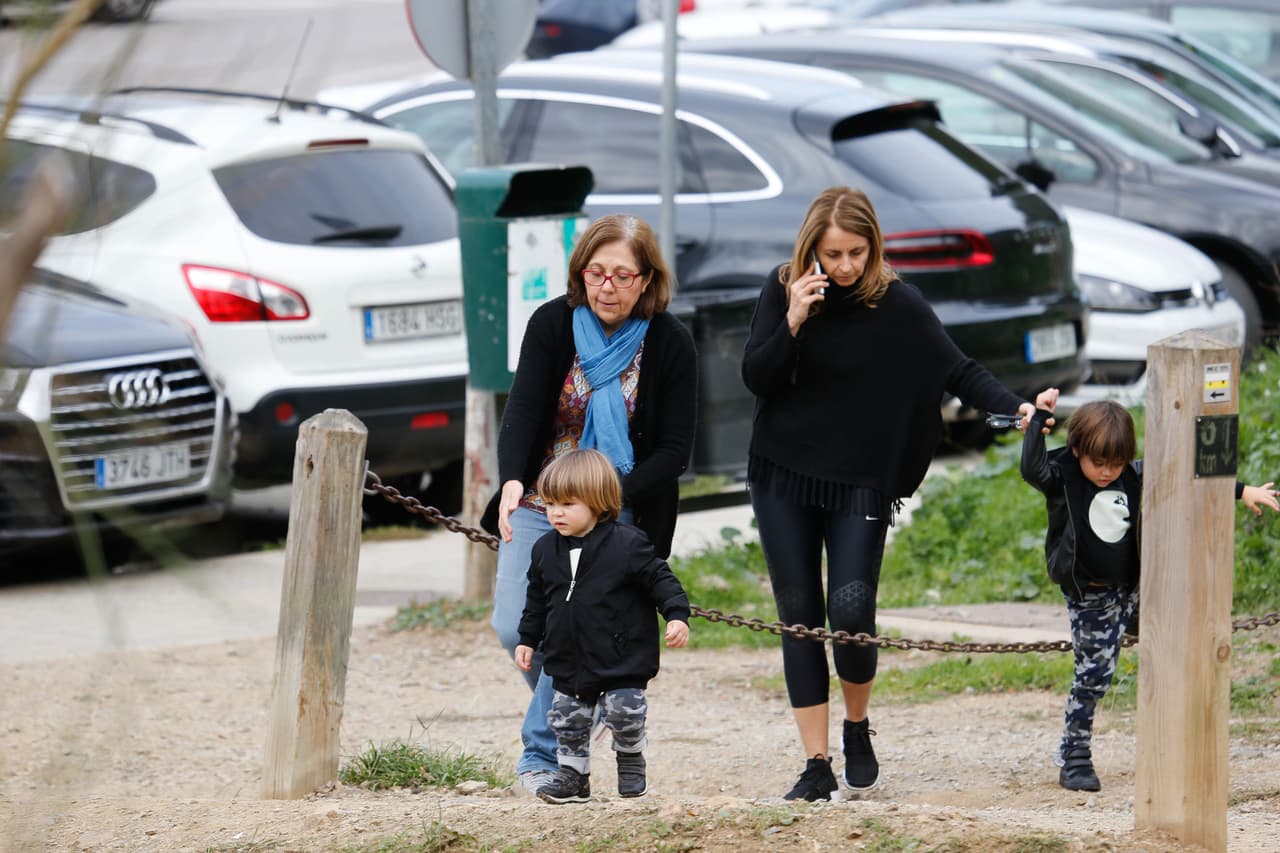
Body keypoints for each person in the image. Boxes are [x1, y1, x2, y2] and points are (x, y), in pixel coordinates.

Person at [741, 186, 1042, 802]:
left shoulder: (898, 302)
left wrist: (1019, 410)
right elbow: (757, 377)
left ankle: (856, 725)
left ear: (873, 246)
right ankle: (816, 764)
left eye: (856, 252)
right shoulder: (784, 288)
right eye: (832, 254)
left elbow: (956, 369)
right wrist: (793, 319)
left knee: (851, 612)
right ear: (811, 248)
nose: (845, 266)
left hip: (861, 478)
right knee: (800, 618)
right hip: (783, 473)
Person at [482, 213, 698, 795]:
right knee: (513, 625)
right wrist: (511, 480)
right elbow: (523, 409)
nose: (607, 286)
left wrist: (606, 497)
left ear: (647, 280)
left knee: (573, 626)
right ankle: (589, 699)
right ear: (580, 272)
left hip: (618, 507)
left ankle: (543, 755)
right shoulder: (552, 323)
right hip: (542, 498)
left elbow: (675, 450)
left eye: (623, 276)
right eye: (596, 272)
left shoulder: (670, 341)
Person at [1021, 390, 1278, 792]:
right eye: (1099, 463)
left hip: (1135, 587)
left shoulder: (1132, 474)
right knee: (1094, 675)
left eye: (1116, 463)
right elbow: (1031, 468)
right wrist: (1038, 418)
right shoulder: (1063, 476)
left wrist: (1243, 490)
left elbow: (1187, 473)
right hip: (1093, 596)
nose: (1107, 472)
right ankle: (1074, 755)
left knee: (1177, 638)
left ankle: (1182, 738)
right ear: (1077, 450)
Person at [514, 448, 691, 803]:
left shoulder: (628, 543)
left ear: (598, 502)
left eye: (567, 504)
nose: (556, 513)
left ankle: (630, 757)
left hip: (620, 655)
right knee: (567, 719)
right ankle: (573, 778)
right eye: (550, 504)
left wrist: (676, 615)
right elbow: (536, 601)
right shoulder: (545, 549)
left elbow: (661, 580)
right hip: (569, 657)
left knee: (624, 712)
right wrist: (527, 639)